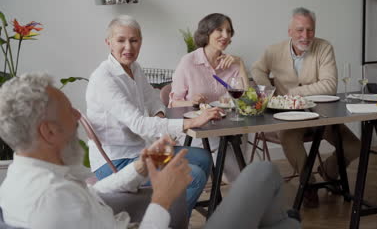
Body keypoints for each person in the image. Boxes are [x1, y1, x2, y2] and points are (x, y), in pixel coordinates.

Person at [0, 73, 301, 229]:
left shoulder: (26, 177)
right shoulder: (51, 201)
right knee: (262, 172)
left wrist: (142, 166)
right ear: (48, 131)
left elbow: (94, 195)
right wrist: (161, 197)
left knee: (279, 219)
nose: (78, 118)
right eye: (69, 112)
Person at [86, 15, 223, 213]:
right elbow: (138, 124)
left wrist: (159, 115)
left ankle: (172, 213)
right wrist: (189, 124)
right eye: (121, 40)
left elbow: (153, 99)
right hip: (116, 162)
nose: (128, 47)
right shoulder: (104, 78)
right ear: (109, 43)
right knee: (193, 176)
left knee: (203, 158)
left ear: (140, 42)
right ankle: (166, 220)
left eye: (134, 40)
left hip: (139, 153)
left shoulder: (134, 68)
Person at [251, 7, 361, 208]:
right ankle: (308, 184)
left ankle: (327, 172)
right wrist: (267, 91)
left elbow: (330, 85)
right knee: (289, 138)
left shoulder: (324, 47)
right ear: (290, 32)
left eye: (310, 30)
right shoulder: (273, 51)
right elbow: (257, 69)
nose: (305, 36)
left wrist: (293, 93)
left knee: (354, 146)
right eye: (300, 30)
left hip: (321, 115)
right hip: (288, 117)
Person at [170, 13, 249, 182]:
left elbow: (246, 100)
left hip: (230, 128)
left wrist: (240, 63)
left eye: (229, 31)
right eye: (219, 30)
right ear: (207, 33)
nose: (225, 35)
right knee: (241, 175)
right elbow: (173, 103)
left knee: (241, 170)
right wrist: (192, 102)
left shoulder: (232, 62)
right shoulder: (188, 62)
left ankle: (242, 193)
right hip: (199, 131)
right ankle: (242, 193)